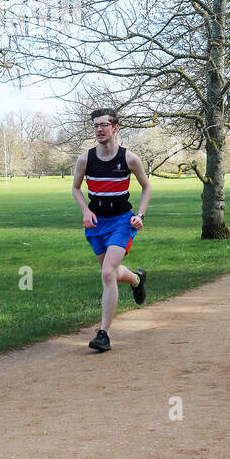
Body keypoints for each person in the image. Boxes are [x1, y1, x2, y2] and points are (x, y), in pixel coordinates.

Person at [72, 107, 151, 352]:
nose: (99, 129)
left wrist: (139, 215)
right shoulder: (85, 159)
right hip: (97, 223)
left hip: (121, 221)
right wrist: (86, 210)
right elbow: (75, 188)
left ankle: (103, 334)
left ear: (115, 128)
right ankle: (137, 279)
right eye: (96, 125)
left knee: (107, 272)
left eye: (104, 124)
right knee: (113, 274)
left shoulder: (129, 159)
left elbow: (146, 187)